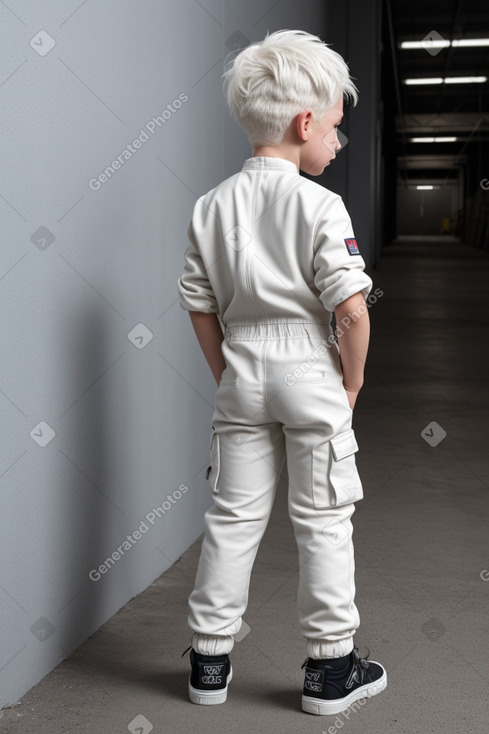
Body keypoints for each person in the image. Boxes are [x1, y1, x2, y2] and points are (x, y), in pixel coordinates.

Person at [176, 29, 387, 716]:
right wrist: (349, 384)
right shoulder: (318, 205)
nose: (334, 141)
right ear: (304, 123)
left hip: (241, 367)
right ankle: (330, 670)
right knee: (322, 518)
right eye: (333, 128)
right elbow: (350, 312)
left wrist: (226, 376)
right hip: (307, 367)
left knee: (232, 517)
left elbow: (200, 308)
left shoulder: (210, 206)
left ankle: (208, 665)